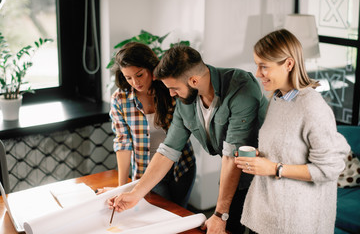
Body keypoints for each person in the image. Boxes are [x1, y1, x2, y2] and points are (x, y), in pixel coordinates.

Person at [108, 45, 268, 233]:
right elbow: (168, 149)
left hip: (268, 174)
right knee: (231, 226)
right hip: (238, 173)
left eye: (174, 88)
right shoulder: (187, 101)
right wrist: (135, 194)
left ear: (193, 80)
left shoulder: (241, 87)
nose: (171, 94)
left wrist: (218, 214)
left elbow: (232, 154)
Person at [235, 29, 350, 234]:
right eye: (257, 65)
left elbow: (329, 169)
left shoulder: (313, 107)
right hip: (266, 216)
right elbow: (284, 151)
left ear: (288, 64)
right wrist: (257, 159)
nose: (257, 73)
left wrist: (274, 168)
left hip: (296, 223)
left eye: (264, 66)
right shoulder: (278, 99)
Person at [105, 42, 196, 208]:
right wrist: (122, 186)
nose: (135, 82)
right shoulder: (120, 99)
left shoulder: (170, 90)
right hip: (147, 173)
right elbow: (123, 143)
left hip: (182, 167)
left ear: (151, 68)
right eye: (128, 77)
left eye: (139, 75)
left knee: (179, 214)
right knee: (160, 215)